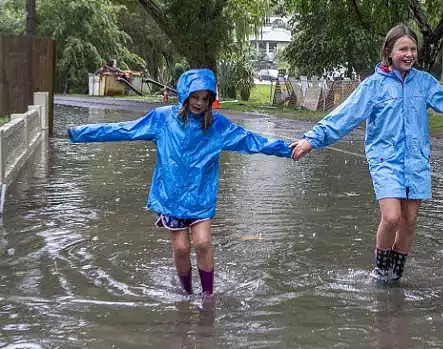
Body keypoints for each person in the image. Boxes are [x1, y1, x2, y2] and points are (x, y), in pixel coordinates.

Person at [290, 24, 443, 283]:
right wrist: (312, 140)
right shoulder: (374, 86)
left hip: (416, 162)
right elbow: (345, 116)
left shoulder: (423, 82)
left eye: (412, 49)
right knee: (391, 218)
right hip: (385, 161)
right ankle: (379, 273)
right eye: (403, 49)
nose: (409, 54)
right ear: (389, 52)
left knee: (409, 222)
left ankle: (395, 278)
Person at [68, 69, 293, 297]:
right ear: (185, 95)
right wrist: (83, 133)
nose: (199, 103)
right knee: (181, 248)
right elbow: (125, 129)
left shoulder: (218, 126)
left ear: (211, 99)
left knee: (203, 243)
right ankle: (186, 293)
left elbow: (251, 140)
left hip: (200, 196)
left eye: (205, 98)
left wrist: (288, 149)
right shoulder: (163, 119)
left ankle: (208, 295)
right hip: (172, 197)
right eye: (195, 97)